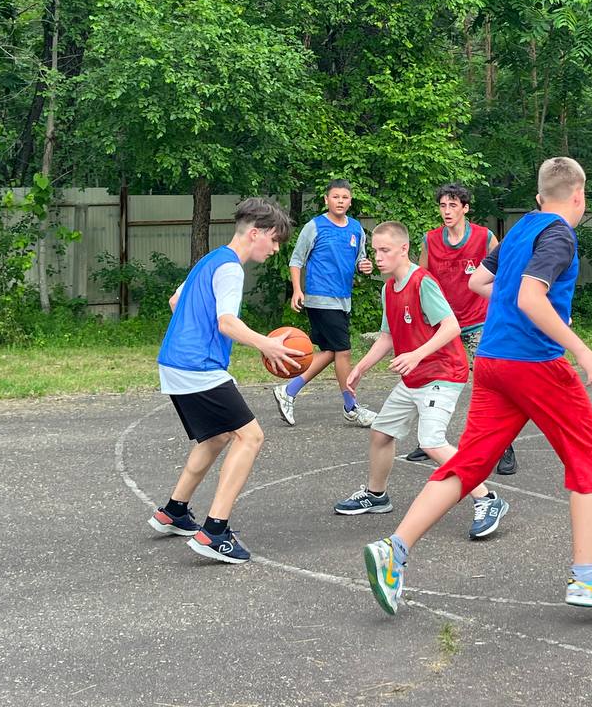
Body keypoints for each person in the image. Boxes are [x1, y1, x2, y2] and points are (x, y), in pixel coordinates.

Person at [363, 158, 592, 615]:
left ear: (539, 197)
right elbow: (531, 297)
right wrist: (582, 350)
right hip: (533, 363)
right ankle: (588, 578)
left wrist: (519, 306)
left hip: (492, 361)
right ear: (579, 196)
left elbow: (478, 282)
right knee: (589, 457)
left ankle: (393, 550)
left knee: (470, 462)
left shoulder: (520, 229)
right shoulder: (559, 234)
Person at [147, 198, 303, 564]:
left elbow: (175, 301)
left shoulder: (210, 259)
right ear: (256, 233)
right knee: (251, 437)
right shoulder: (231, 269)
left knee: (217, 436)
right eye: (275, 240)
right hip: (197, 366)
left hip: (175, 363)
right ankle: (215, 532)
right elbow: (227, 322)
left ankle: (174, 511)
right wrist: (267, 344)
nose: (275, 249)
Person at [332, 221, 509, 539]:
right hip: (415, 376)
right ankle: (376, 495)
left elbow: (451, 326)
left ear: (403, 249)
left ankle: (487, 498)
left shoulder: (422, 282)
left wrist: (416, 354)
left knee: (431, 442)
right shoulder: (388, 288)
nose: (378, 257)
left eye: (385, 250)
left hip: (443, 373)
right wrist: (361, 368)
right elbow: (387, 337)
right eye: (375, 250)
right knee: (381, 433)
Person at [404, 183, 518, 476]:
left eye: (453, 205)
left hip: (478, 321)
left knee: (489, 384)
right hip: (444, 325)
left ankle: (504, 447)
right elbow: (421, 280)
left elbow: (505, 273)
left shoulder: (484, 237)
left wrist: (508, 309)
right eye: (443, 205)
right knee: (433, 380)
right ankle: (430, 441)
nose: (447, 211)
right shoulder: (431, 240)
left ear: (465, 208)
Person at [271, 179, 376, 428]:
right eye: (335, 197)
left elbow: (360, 261)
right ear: (326, 200)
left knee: (331, 352)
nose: (340, 201)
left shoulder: (356, 229)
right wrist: (297, 290)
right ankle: (351, 407)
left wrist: (365, 266)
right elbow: (296, 260)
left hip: (343, 300)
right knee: (344, 351)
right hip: (320, 299)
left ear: (350, 201)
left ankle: (288, 390)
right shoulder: (315, 226)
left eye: (345, 197)